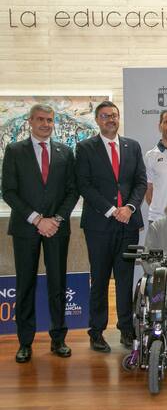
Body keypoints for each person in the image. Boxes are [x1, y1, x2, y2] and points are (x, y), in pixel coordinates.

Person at [2, 104, 79, 363]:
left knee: (58, 284)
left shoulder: (65, 152)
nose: (46, 124)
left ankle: (58, 339)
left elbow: (73, 190)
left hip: (57, 228)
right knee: (25, 285)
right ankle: (25, 342)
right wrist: (37, 219)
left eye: (50, 120)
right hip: (26, 228)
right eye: (41, 119)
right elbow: (8, 191)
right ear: (30, 121)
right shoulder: (14, 151)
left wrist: (55, 220)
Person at [75, 100, 147, 353]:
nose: (111, 119)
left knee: (125, 279)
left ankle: (126, 328)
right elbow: (83, 184)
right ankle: (96, 331)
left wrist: (130, 208)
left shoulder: (132, 146)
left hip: (128, 223)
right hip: (99, 224)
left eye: (114, 115)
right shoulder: (85, 148)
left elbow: (140, 182)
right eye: (105, 116)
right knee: (100, 279)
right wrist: (110, 210)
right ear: (97, 120)